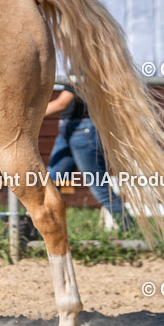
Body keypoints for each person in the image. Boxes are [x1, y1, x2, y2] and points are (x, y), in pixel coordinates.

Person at [44, 83, 128, 228]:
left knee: (99, 187)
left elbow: (61, 104)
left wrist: (23, 115)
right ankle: (39, 228)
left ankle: (128, 228)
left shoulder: (81, 67)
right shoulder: (71, 67)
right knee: (51, 182)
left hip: (83, 131)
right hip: (68, 129)